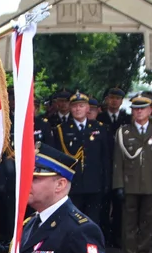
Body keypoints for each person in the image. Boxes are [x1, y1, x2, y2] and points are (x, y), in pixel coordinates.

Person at [112, 96, 152, 253]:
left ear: (150, 111)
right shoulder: (124, 132)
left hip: (151, 184)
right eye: (136, 109)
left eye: (143, 109)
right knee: (128, 223)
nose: (139, 112)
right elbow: (118, 161)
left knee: (147, 224)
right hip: (130, 184)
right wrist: (118, 185)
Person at [46, 91, 110, 223]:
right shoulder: (61, 130)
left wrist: (106, 183)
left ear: (88, 108)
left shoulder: (100, 128)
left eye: (81, 106)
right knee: (72, 220)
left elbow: (105, 158)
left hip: (94, 183)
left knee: (93, 220)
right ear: (70, 108)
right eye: (75, 106)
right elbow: (58, 160)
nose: (78, 109)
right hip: (72, 184)